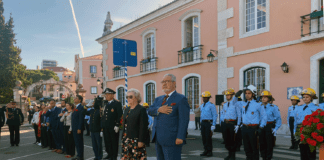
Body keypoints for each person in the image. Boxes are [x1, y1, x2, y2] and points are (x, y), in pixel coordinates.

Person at [148, 73, 190, 160]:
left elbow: (184, 120)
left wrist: (180, 137)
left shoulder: (181, 98)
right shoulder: (158, 99)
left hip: (172, 139)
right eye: (163, 82)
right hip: (158, 138)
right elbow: (149, 110)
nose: (164, 84)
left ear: (174, 83)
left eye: (167, 81)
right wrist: (159, 109)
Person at [240, 85, 267, 160]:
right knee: (246, 147)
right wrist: (236, 95)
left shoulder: (258, 104)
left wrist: (261, 127)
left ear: (253, 94)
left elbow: (264, 117)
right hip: (245, 128)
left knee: (254, 148)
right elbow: (233, 103)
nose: (247, 95)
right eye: (246, 93)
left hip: (253, 129)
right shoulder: (243, 103)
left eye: (249, 93)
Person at [121, 89, 148, 160]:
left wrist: (141, 140)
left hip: (135, 140)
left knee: (136, 157)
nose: (128, 99)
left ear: (137, 97)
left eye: (130, 97)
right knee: (127, 157)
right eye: (127, 97)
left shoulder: (141, 109)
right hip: (126, 139)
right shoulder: (127, 109)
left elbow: (143, 126)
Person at [294, 88, 319, 160]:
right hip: (300, 131)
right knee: (303, 151)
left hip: (311, 131)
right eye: (304, 97)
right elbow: (296, 120)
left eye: (307, 97)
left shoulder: (316, 108)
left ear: (312, 98)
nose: (305, 99)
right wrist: (295, 131)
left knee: (311, 152)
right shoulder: (299, 108)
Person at [259, 90, 282, 160]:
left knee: (269, 144)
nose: (263, 99)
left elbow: (278, 118)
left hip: (269, 126)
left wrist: (276, 129)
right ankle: (263, 157)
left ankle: (268, 157)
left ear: (269, 98)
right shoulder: (259, 106)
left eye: (265, 97)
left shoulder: (273, 107)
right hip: (261, 127)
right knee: (261, 143)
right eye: (262, 97)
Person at [101, 88, 123, 160]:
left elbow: (119, 115)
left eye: (107, 95)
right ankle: (109, 154)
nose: (106, 96)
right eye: (106, 95)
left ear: (112, 95)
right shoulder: (106, 104)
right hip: (106, 127)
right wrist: (102, 127)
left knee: (114, 142)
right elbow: (104, 116)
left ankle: (114, 156)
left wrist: (117, 125)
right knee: (107, 141)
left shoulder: (117, 103)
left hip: (113, 126)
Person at [221, 88, 242, 160]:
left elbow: (239, 115)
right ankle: (229, 154)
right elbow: (223, 113)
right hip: (225, 123)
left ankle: (233, 155)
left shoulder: (235, 103)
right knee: (226, 140)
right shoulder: (225, 104)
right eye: (226, 95)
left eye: (228, 95)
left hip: (232, 123)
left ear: (232, 95)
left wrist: (238, 125)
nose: (227, 96)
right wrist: (222, 122)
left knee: (232, 140)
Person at [198, 91, 217, 157]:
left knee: (208, 137)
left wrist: (213, 124)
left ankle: (209, 151)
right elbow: (201, 115)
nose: (204, 98)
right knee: (203, 137)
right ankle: (205, 150)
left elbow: (215, 115)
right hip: (203, 123)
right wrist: (200, 124)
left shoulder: (211, 105)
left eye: (205, 97)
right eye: (203, 97)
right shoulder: (202, 105)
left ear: (208, 98)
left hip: (209, 123)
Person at [72, 95, 85, 160]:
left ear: (80, 100)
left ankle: (80, 156)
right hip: (74, 127)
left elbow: (81, 119)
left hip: (78, 128)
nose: (74, 99)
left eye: (76, 98)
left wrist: (79, 128)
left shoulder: (81, 107)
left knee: (79, 142)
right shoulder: (75, 107)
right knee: (76, 142)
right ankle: (78, 155)